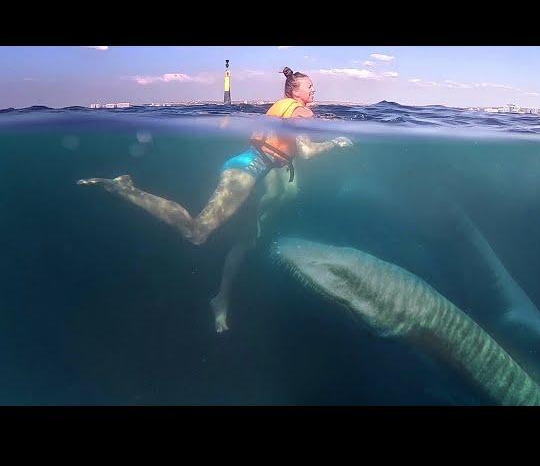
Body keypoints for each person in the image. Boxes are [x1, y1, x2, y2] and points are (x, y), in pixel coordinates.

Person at [77, 66, 353, 332]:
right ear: (295, 91)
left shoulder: (282, 105)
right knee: (197, 232)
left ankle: (221, 299)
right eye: (310, 87)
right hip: (246, 171)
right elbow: (305, 152)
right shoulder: (301, 110)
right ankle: (125, 189)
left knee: (247, 238)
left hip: (248, 169)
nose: (314, 90)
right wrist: (335, 142)